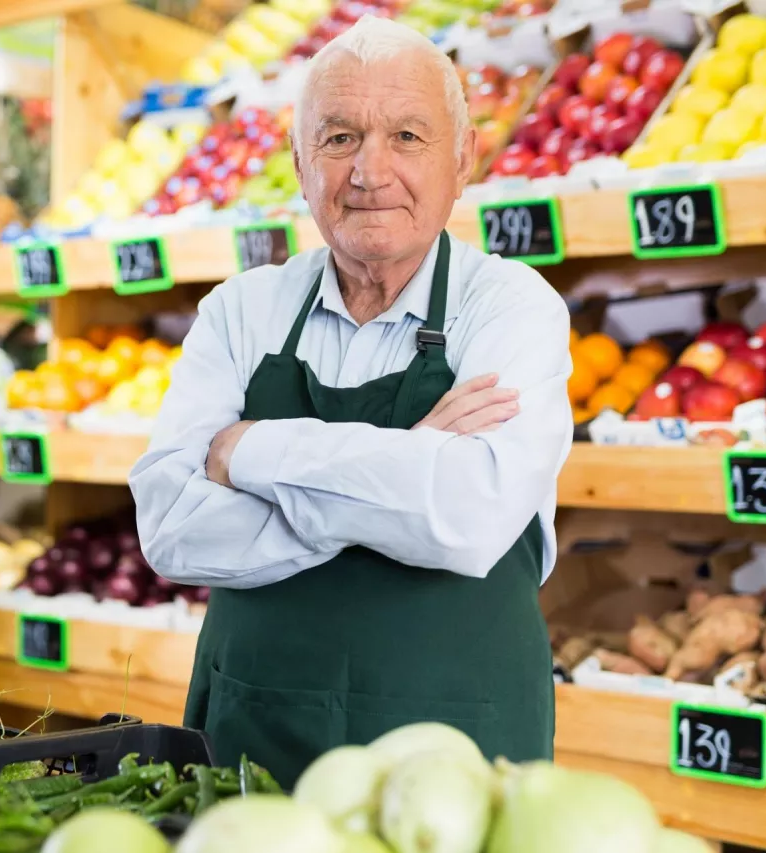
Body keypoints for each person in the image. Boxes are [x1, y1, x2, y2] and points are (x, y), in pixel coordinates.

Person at [130, 16, 573, 787]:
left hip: (457, 752)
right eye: (339, 138)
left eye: (407, 135)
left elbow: (466, 516)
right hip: (253, 737)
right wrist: (408, 465)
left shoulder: (511, 307)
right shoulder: (240, 310)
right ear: (300, 162)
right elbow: (171, 529)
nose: (370, 170)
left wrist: (251, 452)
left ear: (462, 159)